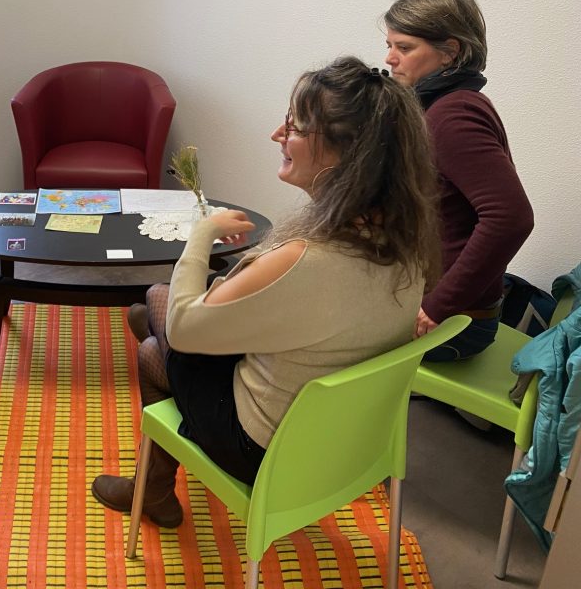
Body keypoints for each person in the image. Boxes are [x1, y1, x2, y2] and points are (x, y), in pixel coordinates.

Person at [91, 57, 441, 527]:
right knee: (159, 322)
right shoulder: (406, 244)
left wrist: (202, 234)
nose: (278, 135)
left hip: (266, 451)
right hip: (347, 445)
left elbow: (185, 327)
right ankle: (151, 483)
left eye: (294, 126)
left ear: (342, 154)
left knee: (159, 330)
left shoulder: (305, 260)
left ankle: (151, 488)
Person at [384, 0, 534, 361]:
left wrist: (436, 307)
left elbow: (511, 218)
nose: (389, 58)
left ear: (450, 51)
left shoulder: (452, 115)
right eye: (389, 45)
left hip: (455, 326)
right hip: (453, 313)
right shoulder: (451, 105)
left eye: (404, 47)